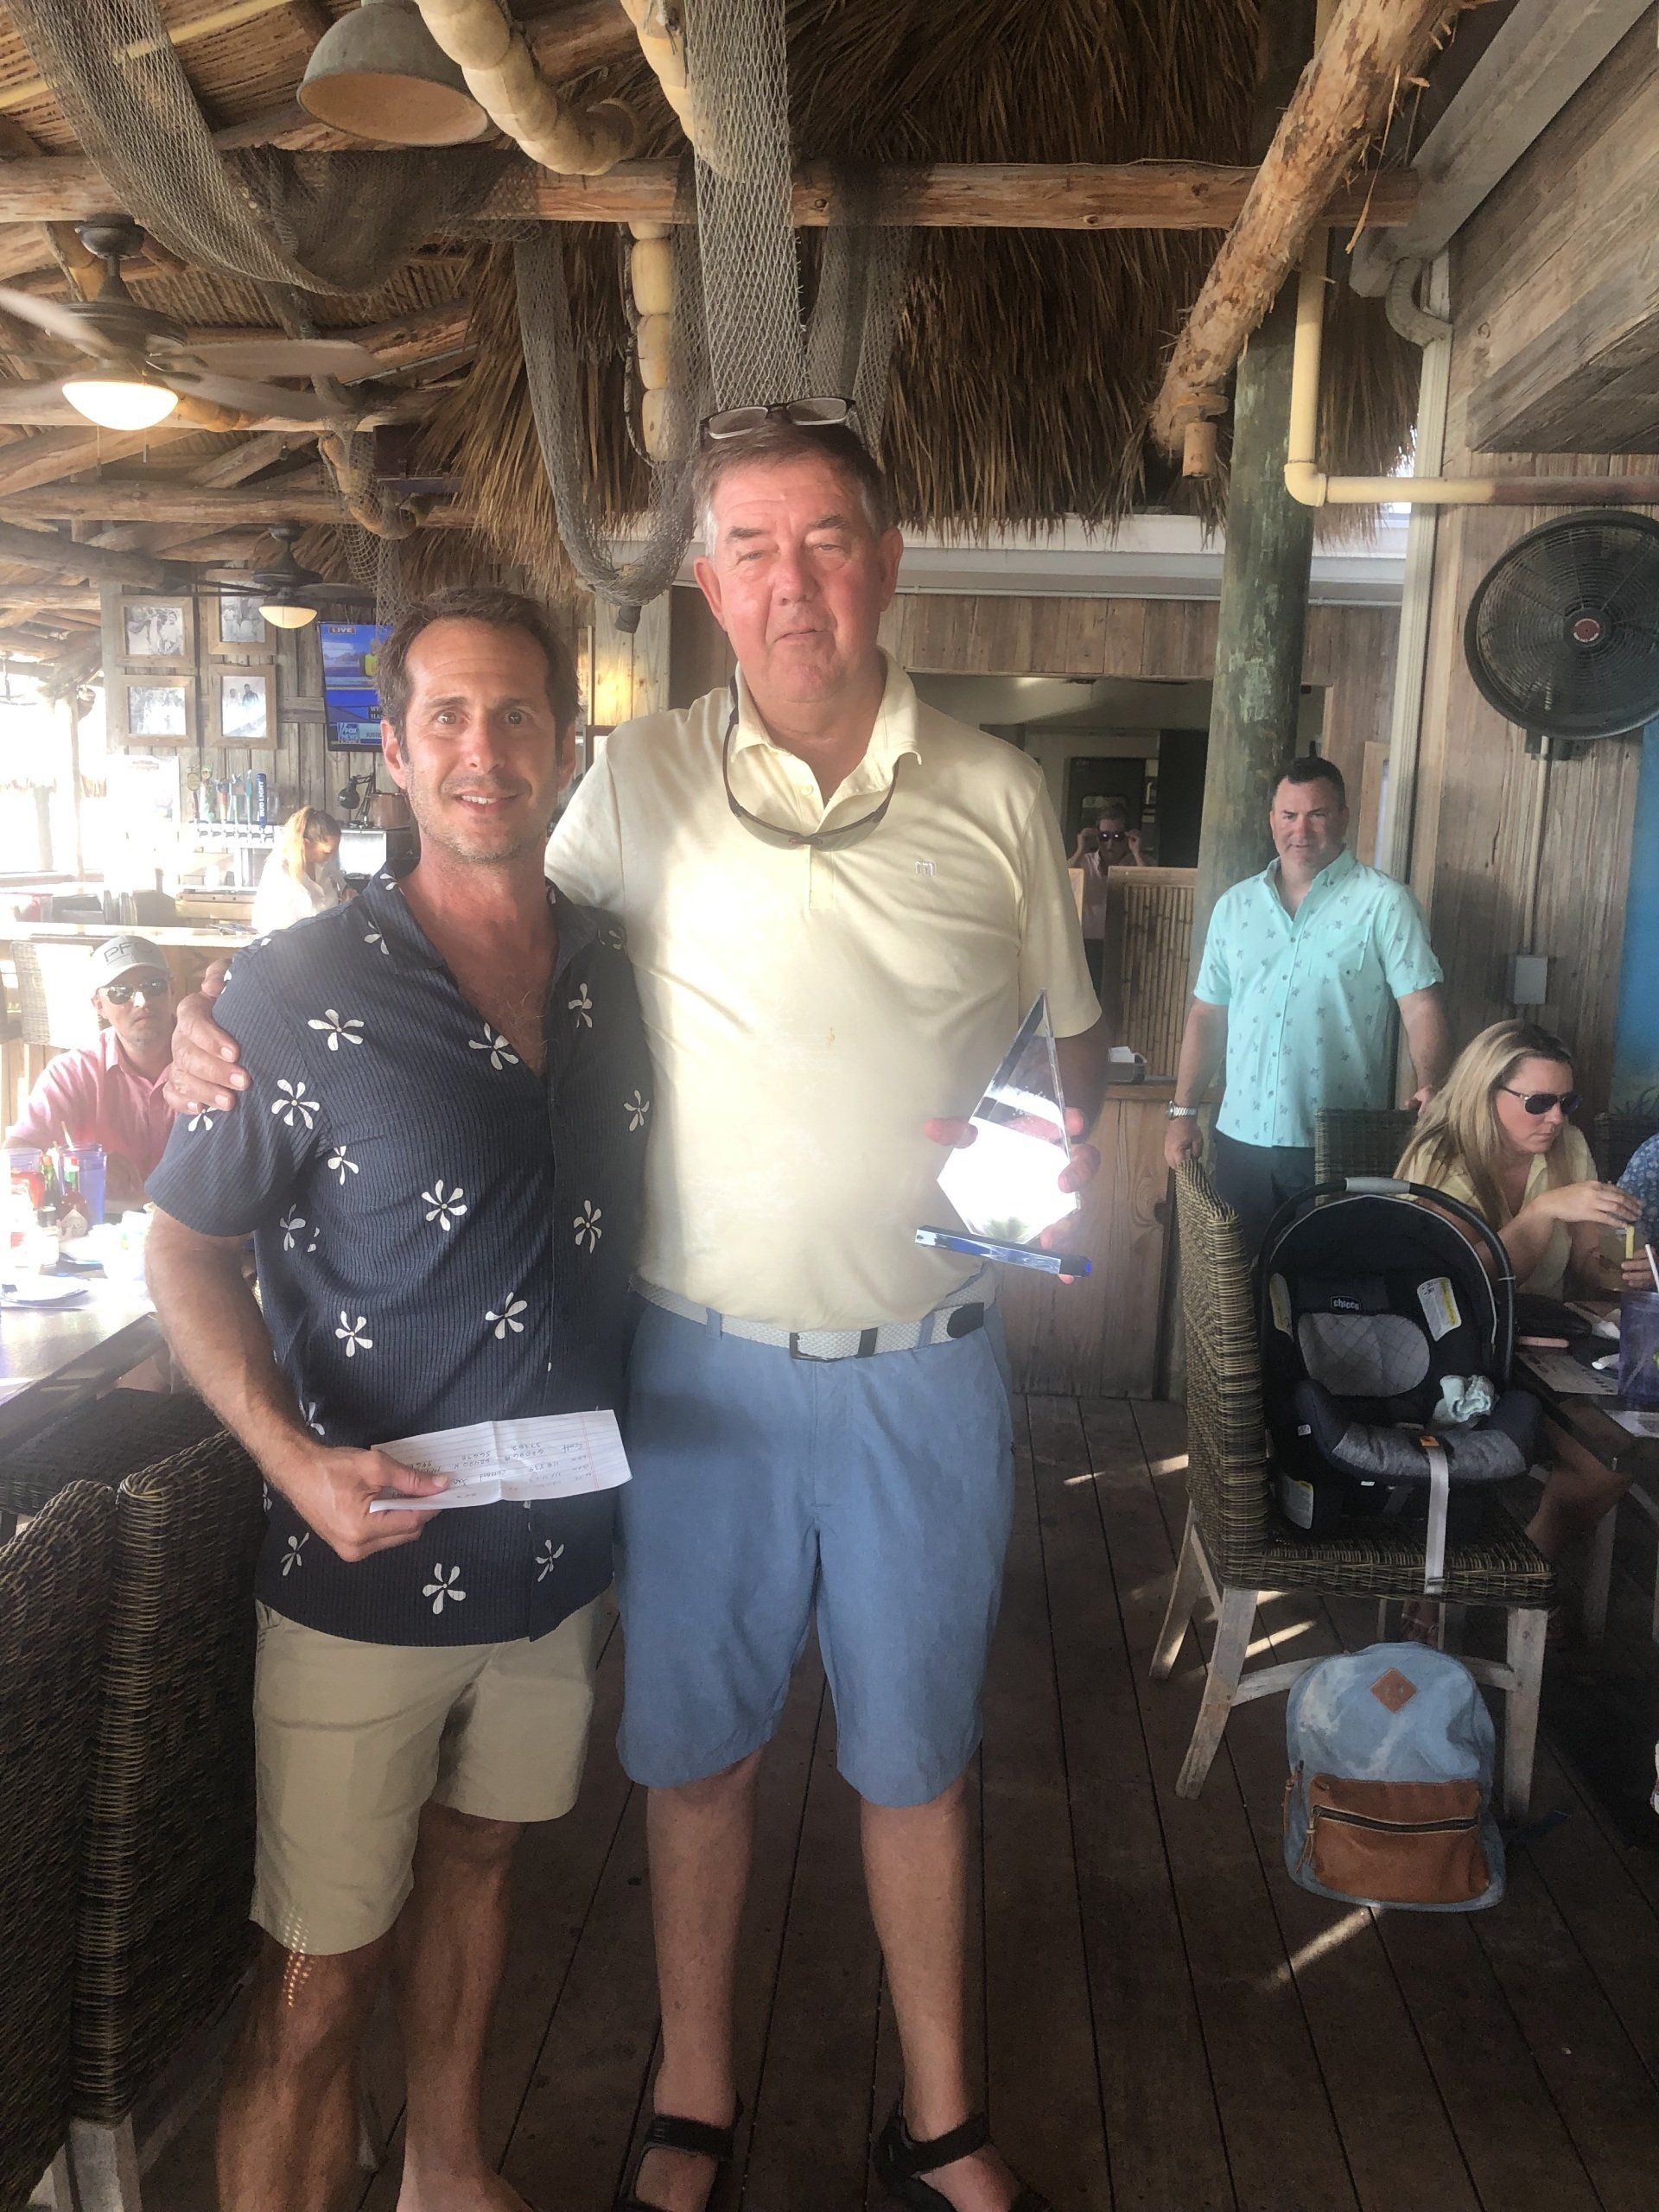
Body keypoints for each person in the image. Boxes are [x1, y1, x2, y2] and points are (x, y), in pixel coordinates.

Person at [167, 418, 1108, 2212]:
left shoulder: (1000, 790)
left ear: (889, 558)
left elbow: (1054, 1065)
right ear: (706, 587)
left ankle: (942, 2111)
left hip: (926, 1367)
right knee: (697, 1753)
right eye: (750, 547)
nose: (792, 580)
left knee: (919, 1763)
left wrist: (1019, 1184)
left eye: (826, 540)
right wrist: (236, 996)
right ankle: (690, 2095)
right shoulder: (638, 787)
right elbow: (466, 906)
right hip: (691, 1374)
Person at [145, 588, 651, 2212]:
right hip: (360, 1564)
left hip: (554, 1557)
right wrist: (288, 1459)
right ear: (394, 750)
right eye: (447, 717)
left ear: (568, 746)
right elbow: (182, 1246)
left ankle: (445, 2163)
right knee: (314, 1972)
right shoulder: (290, 991)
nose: (483, 750)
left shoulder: (613, 974)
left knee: (485, 1863)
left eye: (516, 717)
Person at [1165, 756, 1451, 1255]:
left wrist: (1432, 1085)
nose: (1302, 829)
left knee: (1327, 1295)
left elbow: (1421, 1006)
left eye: (1317, 814)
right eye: (1289, 815)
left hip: (1339, 1144)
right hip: (1240, 1141)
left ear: (1342, 817)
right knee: (1238, 1295)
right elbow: (1208, 1014)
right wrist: (1183, 1110)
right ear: (1272, 819)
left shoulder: (1384, 902)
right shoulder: (1235, 906)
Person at [1395, 1020, 1643, 1561]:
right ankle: (1457, 1578)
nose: (1556, 1118)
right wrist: (1541, 1211)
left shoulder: (1568, 1146)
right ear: (1487, 1093)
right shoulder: (1440, 1158)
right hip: (1454, 1357)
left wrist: (1627, 1273)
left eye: (1566, 1101)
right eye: (1538, 1102)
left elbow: (1590, 1262)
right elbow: (1460, 1289)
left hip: (1542, 1348)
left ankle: (1530, 1567)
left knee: (1615, 1463)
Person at [3, 933, 175, 1206]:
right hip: (102, 1232)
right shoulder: (72, 1072)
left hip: (199, 1231)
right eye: (121, 992)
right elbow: (16, 1156)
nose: (142, 1001)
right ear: (99, 1005)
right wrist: (81, 1167)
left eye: (154, 986)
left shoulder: (209, 1059)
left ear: (171, 991)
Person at [1066, 797, 1143, 992]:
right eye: (1104, 836)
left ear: (1127, 838)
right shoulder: (1084, 861)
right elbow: (1060, 880)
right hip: (1086, 944)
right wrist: (1080, 849)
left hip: (1125, 944)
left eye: (1117, 837)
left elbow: (1153, 886)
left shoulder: (1137, 863)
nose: (1110, 843)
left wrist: (1137, 853)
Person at [251, 804, 346, 935]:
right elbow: (277, 928)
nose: (332, 857)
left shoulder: (324, 863)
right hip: (289, 949)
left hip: (324, 942)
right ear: (306, 844)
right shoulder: (280, 872)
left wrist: (346, 893)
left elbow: (341, 886)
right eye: (327, 852)